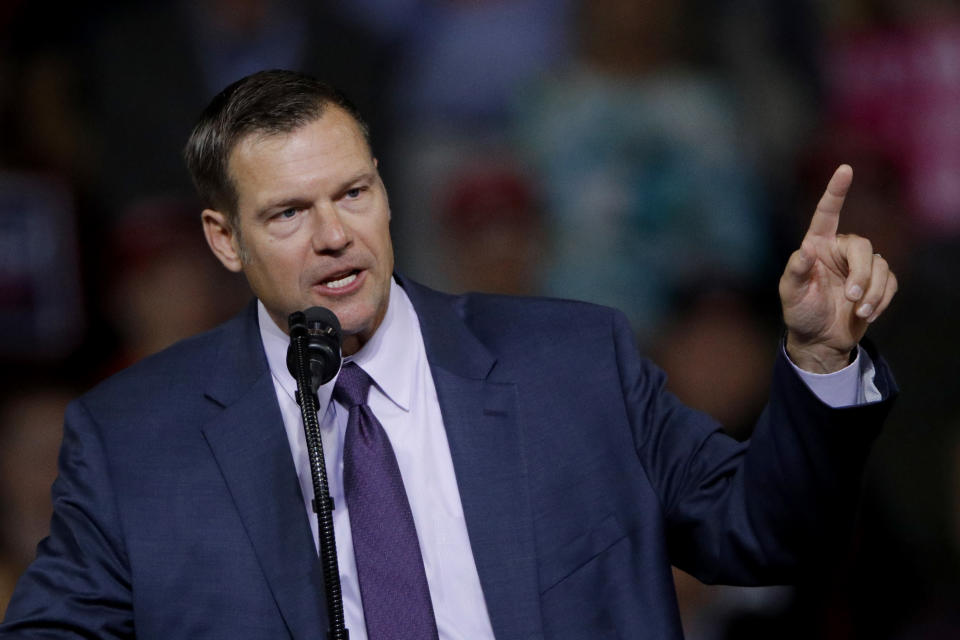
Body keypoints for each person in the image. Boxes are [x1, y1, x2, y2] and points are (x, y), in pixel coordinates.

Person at [0, 70, 898, 639]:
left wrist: (820, 356)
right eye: (287, 214)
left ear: (387, 191)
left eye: (353, 192)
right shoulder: (134, 439)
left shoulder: (574, 364)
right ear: (224, 239)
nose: (334, 237)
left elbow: (766, 532)